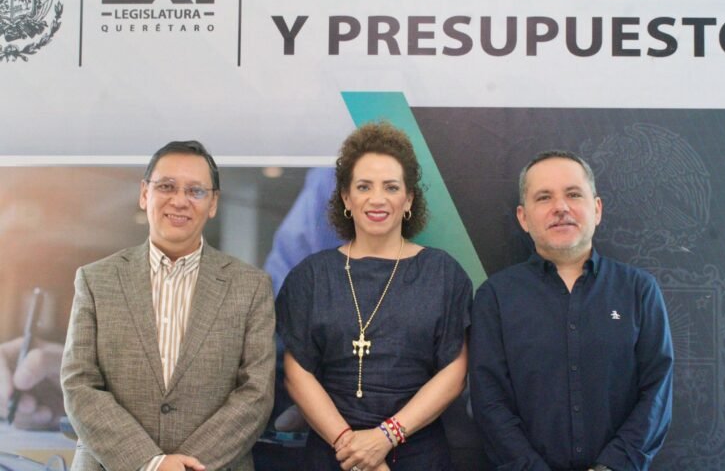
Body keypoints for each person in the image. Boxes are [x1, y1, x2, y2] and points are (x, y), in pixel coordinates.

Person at [60, 141, 275, 471]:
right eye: (166, 187)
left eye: (195, 191)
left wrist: (184, 467)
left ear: (213, 203)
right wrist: (151, 463)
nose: (180, 200)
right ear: (144, 193)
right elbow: (80, 384)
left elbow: (256, 393)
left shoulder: (251, 286)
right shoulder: (96, 280)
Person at [276, 122, 472, 471]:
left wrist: (385, 437)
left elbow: (454, 372)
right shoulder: (311, 275)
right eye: (364, 186)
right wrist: (352, 449)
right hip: (334, 454)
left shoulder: (443, 273)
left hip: (418, 453)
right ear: (346, 198)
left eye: (391, 187)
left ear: (408, 199)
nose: (377, 199)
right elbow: (296, 372)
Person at [470, 150, 673, 471]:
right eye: (544, 197)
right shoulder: (495, 297)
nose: (561, 207)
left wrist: (611, 466)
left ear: (597, 208)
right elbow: (488, 400)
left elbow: (657, 391)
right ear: (523, 217)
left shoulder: (638, 290)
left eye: (574, 194)